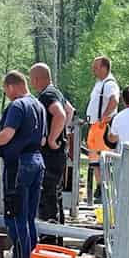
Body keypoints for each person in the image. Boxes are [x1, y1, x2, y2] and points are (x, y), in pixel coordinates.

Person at [0, 70, 47, 258]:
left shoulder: (17, 105)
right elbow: (42, 138)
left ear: (11, 86)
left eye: (5, 90)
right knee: (30, 215)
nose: (7, 94)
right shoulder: (39, 105)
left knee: (15, 214)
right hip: (37, 160)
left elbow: (7, 134)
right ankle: (32, 256)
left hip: (18, 164)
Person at [29, 63, 73, 235]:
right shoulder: (57, 92)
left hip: (51, 152)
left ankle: (49, 237)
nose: (32, 84)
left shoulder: (47, 95)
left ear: (38, 79)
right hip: (58, 153)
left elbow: (61, 114)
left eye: (32, 80)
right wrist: (64, 132)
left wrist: (53, 138)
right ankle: (58, 235)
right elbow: (70, 110)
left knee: (48, 193)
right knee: (56, 192)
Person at [83, 56, 119, 202]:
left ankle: (105, 191)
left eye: (96, 67)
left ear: (105, 68)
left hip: (101, 127)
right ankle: (101, 189)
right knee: (94, 160)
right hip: (94, 126)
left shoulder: (110, 83)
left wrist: (104, 117)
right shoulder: (100, 83)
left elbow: (114, 100)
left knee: (102, 160)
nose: (93, 70)